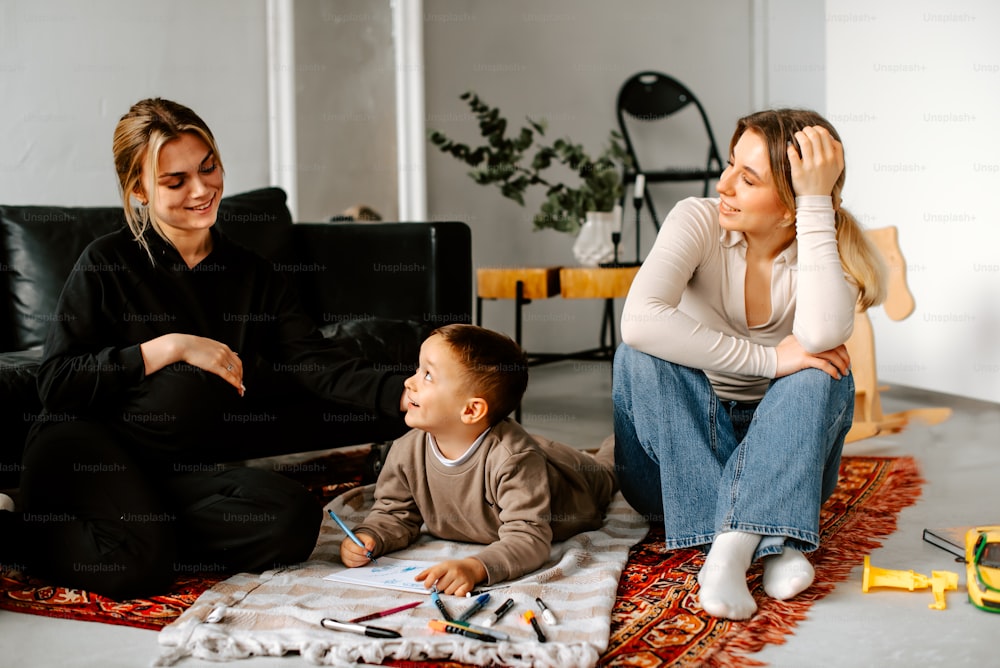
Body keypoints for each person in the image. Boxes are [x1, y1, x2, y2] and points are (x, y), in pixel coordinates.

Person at [0, 98, 409, 600]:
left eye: (208, 168)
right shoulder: (107, 261)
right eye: (175, 182)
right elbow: (56, 384)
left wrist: (403, 394)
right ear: (139, 189)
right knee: (137, 568)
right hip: (85, 449)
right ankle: (15, 528)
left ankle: (146, 532)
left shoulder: (254, 273)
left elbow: (312, 360)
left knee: (291, 521)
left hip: (171, 470)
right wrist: (167, 347)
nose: (202, 190)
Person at [612, 109, 887, 620]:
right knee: (639, 354)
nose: (724, 184)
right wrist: (767, 359)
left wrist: (814, 206)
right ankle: (775, 538)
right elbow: (639, 322)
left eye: (748, 177)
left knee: (821, 367)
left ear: (790, 208)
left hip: (782, 451)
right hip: (673, 464)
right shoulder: (696, 218)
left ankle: (730, 552)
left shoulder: (824, 241)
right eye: (730, 165)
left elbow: (824, 335)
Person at [340, 324, 618, 596]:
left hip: (575, 481)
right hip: (516, 449)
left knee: (612, 466)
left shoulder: (514, 461)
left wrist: (477, 567)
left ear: (471, 409)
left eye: (427, 376)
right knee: (526, 446)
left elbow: (528, 538)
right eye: (417, 369)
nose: (408, 382)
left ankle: (623, 435)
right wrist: (371, 537)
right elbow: (394, 512)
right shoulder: (406, 450)